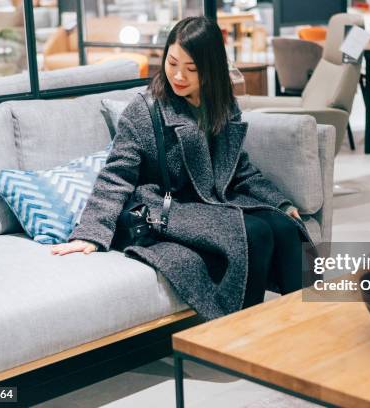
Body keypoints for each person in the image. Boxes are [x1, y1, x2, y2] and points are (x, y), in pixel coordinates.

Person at [51, 16, 313, 320]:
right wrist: (92, 233)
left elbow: (237, 166)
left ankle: (307, 326)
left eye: (191, 69)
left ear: (211, 68)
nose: (178, 76)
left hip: (213, 202)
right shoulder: (146, 109)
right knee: (254, 233)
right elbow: (116, 175)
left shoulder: (221, 103)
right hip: (169, 208)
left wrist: (278, 201)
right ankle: (241, 333)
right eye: (172, 63)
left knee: (284, 226)